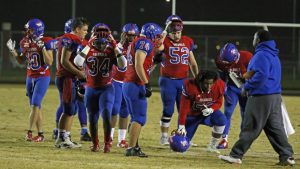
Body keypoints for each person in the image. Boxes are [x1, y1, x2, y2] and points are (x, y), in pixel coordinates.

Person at [219, 29, 295, 166]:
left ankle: (236, 155)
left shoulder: (261, 54)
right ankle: (287, 155)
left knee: (250, 126)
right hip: (275, 96)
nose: (253, 40)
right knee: (275, 128)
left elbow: (261, 75)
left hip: (261, 96)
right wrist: (246, 76)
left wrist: (246, 87)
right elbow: (262, 72)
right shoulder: (273, 54)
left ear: (258, 40)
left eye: (255, 38)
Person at [74, 23, 127, 153]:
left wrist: (115, 46)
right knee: (92, 117)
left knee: (106, 115)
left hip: (106, 88)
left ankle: (107, 143)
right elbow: (77, 63)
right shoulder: (87, 48)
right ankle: (95, 143)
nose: (102, 43)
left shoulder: (111, 49)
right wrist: (89, 44)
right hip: (91, 88)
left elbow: (123, 66)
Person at [6, 18, 53, 142]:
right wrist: (12, 51)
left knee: (35, 104)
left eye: (31, 29)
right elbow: (21, 60)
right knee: (35, 107)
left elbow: (50, 62)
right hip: (30, 77)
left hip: (42, 76)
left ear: (37, 30)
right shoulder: (24, 42)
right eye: (28, 29)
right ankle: (41, 134)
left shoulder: (47, 41)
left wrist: (42, 47)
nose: (28, 32)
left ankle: (29, 132)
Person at [157, 15, 198, 145]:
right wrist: (164, 31)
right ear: (169, 31)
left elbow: (192, 63)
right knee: (168, 110)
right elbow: (157, 48)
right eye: (173, 32)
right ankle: (164, 137)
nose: (176, 35)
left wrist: (197, 78)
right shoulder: (164, 41)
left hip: (183, 80)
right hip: (167, 80)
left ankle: (183, 136)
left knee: (184, 110)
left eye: (178, 32)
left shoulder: (188, 41)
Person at [123, 23, 162, 157]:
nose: (158, 39)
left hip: (130, 83)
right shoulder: (144, 42)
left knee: (135, 117)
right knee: (139, 118)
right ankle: (131, 148)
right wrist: (147, 84)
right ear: (151, 34)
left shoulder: (139, 41)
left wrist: (155, 63)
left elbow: (144, 69)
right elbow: (139, 65)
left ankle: (135, 145)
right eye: (157, 36)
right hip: (135, 84)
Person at [52, 19, 91, 142]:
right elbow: (64, 61)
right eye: (84, 30)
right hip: (66, 78)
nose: (86, 32)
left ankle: (64, 137)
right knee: (69, 110)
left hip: (68, 78)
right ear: (77, 29)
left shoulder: (72, 39)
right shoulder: (70, 38)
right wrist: (79, 73)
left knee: (70, 109)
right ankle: (63, 138)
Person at [176, 70, 227, 154]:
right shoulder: (190, 86)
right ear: (200, 81)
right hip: (192, 116)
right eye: (206, 83)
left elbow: (219, 102)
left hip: (207, 113)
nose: (208, 86)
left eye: (211, 83)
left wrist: (211, 109)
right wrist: (181, 125)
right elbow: (183, 108)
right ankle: (185, 138)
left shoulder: (219, 85)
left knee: (221, 120)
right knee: (180, 147)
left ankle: (212, 145)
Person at [214, 43, 252, 149]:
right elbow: (222, 78)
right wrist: (224, 92)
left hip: (246, 88)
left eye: (229, 62)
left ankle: (243, 139)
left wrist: (250, 88)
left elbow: (255, 74)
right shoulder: (220, 61)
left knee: (245, 114)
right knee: (228, 112)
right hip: (232, 88)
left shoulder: (247, 57)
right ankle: (224, 139)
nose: (227, 64)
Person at [110, 23, 139, 148]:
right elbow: (112, 56)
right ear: (124, 34)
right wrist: (120, 43)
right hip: (116, 81)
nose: (131, 37)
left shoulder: (138, 46)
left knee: (124, 112)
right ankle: (109, 137)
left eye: (133, 35)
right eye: (128, 35)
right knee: (114, 110)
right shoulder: (117, 45)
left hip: (129, 82)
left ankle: (121, 139)